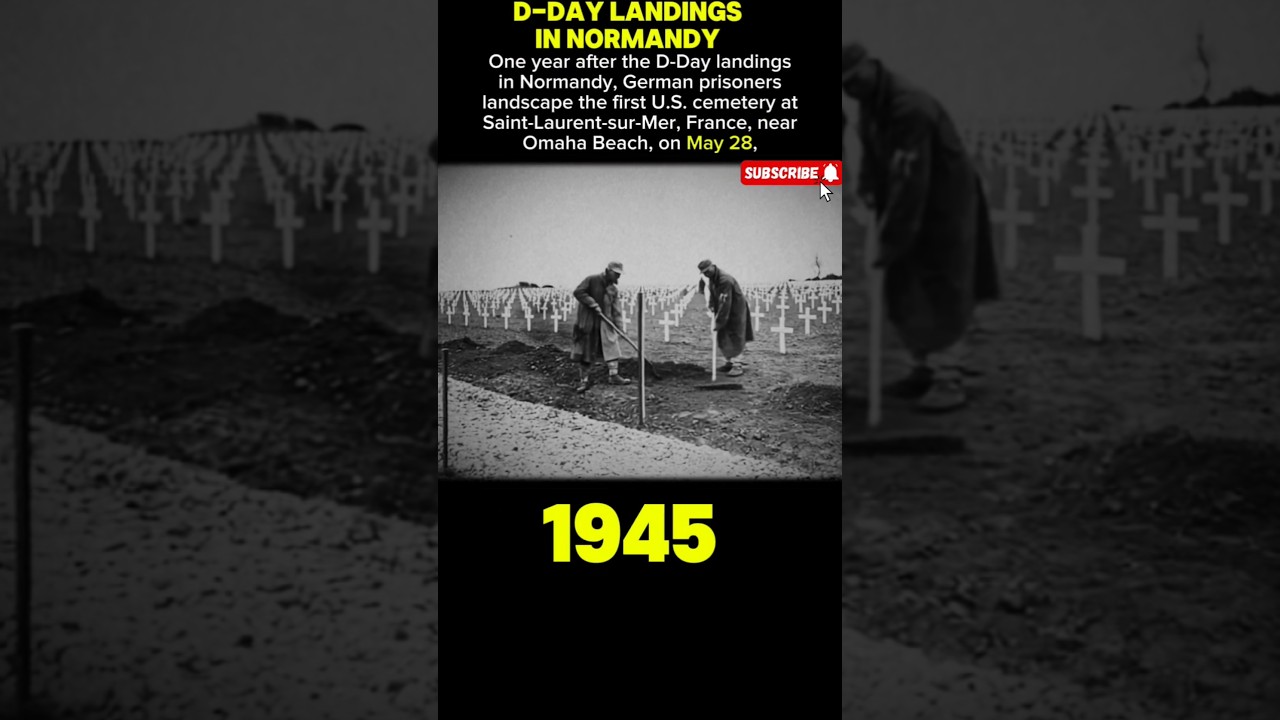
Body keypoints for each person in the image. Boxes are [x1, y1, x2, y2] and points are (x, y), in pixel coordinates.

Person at [841, 41, 1000, 412]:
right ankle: (923, 369)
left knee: (943, 289)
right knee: (907, 287)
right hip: (909, 205)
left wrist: (890, 240)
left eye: (850, 80)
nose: (848, 89)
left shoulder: (909, 107)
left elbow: (911, 180)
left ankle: (949, 376)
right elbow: (872, 157)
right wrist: (865, 191)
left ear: (869, 66)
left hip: (942, 212)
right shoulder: (872, 104)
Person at [571, 261, 631, 393]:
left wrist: (620, 328)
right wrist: (592, 303)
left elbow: (616, 310)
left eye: (619, 275)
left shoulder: (613, 289)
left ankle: (614, 375)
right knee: (586, 350)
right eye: (616, 274)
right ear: (607, 270)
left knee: (611, 345)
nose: (618, 277)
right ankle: (584, 381)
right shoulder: (591, 280)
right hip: (588, 322)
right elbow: (578, 292)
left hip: (605, 322)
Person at [697, 259, 753, 377]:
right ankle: (729, 362)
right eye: (704, 272)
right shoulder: (713, 278)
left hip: (735, 310)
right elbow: (713, 294)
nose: (706, 274)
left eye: (707, 271)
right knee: (723, 335)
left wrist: (719, 321)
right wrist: (712, 305)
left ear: (712, 267)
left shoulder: (724, 280)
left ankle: (737, 365)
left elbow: (725, 303)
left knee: (735, 336)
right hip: (724, 308)